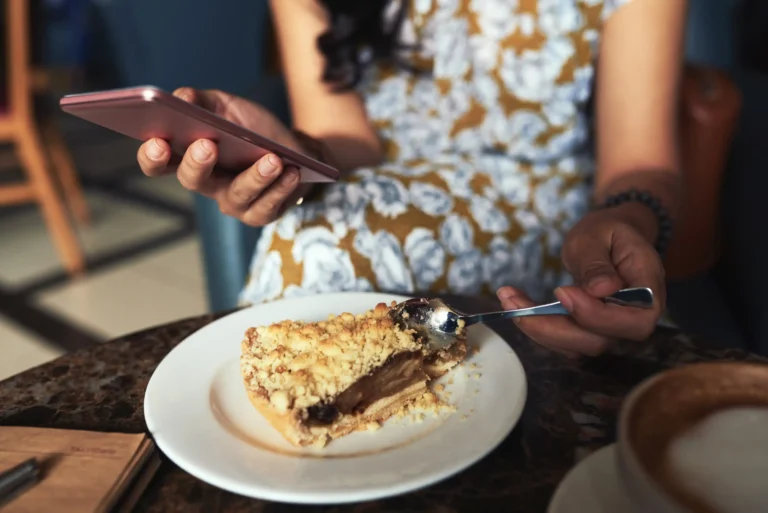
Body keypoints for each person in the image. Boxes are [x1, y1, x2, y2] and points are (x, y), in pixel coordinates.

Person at [137, 0, 686, 357]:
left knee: (315, 244)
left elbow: (640, 161)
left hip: (547, 216)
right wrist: (288, 152)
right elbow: (348, 141)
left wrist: (621, 222)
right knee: (312, 235)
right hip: (381, 189)